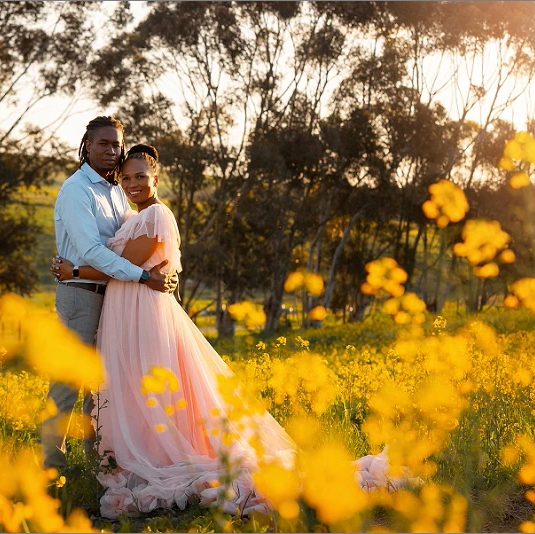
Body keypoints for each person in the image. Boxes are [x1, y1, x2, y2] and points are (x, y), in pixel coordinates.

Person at [52, 144, 421, 519]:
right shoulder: (136, 216)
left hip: (141, 311)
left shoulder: (155, 216)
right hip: (128, 308)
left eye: (140, 177)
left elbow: (122, 265)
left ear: (156, 178)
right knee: (134, 387)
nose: (132, 183)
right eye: (127, 177)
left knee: (149, 384)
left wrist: (75, 272)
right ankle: (139, 457)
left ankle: (160, 458)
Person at [43, 117, 177, 472]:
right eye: (103, 143)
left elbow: (133, 243)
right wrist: (143, 275)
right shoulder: (77, 190)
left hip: (115, 297)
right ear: (87, 145)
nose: (112, 151)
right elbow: (90, 251)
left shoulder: (117, 190)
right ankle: (50, 469)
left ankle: (98, 465)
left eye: (117, 144)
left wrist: (163, 269)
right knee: (67, 383)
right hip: (81, 294)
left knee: (101, 388)